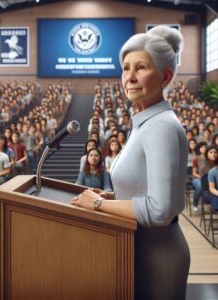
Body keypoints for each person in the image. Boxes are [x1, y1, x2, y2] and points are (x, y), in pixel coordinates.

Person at [71, 25, 190, 300]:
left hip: (159, 255)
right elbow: (145, 191)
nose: (130, 78)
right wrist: (112, 196)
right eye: (126, 68)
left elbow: (160, 210)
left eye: (141, 68)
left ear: (166, 76)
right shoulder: (143, 122)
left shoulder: (160, 126)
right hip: (137, 246)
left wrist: (100, 204)